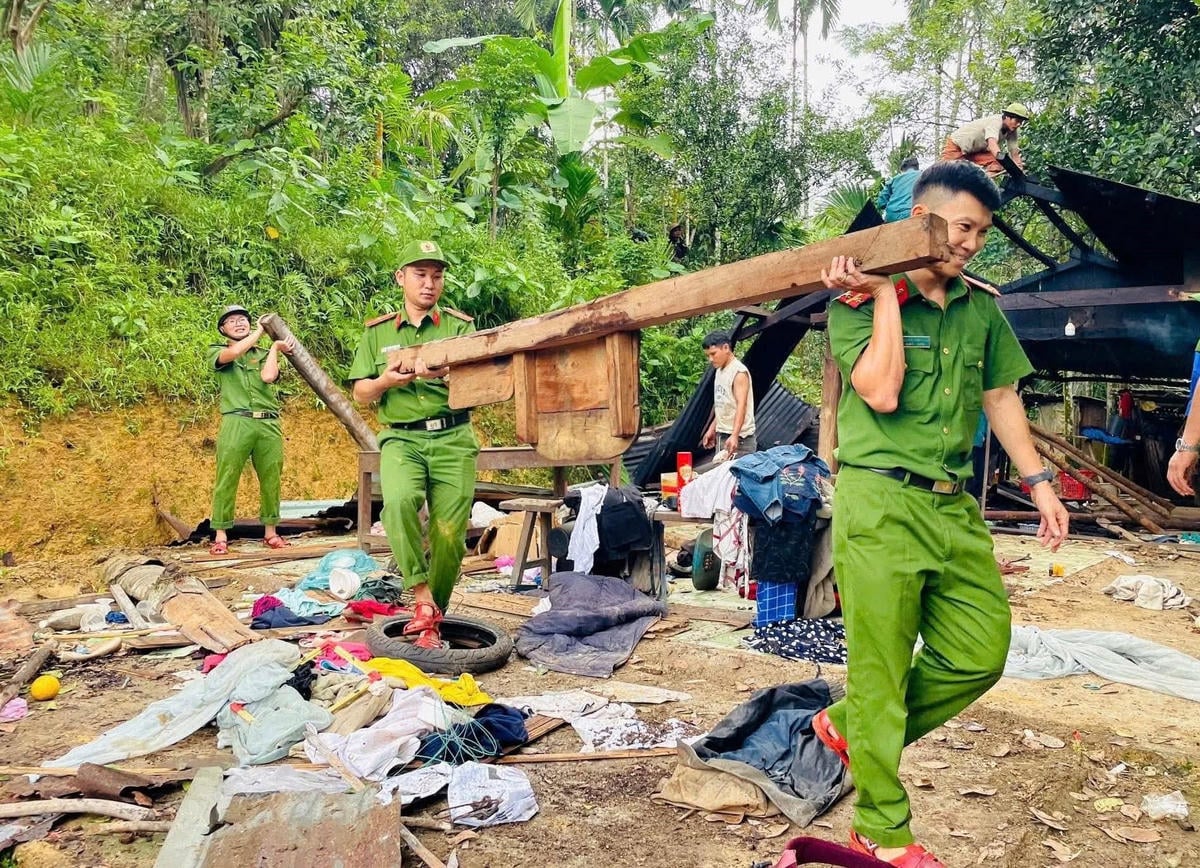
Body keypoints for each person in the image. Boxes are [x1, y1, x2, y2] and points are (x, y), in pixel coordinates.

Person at [815, 161, 1070, 867]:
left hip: (952, 506)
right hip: (880, 502)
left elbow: (1000, 398)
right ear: (921, 221)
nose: (972, 243)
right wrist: (887, 294)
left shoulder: (979, 307)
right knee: (882, 671)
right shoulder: (853, 301)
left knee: (979, 652)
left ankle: (845, 727)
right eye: (963, 227)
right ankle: (880, 828)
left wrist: (1040, 482)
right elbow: (882, 391)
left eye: (983, 232)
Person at [348, 240, 478, 650]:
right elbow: (361, 394)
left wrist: (443, 374)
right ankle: (421, 596)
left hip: (454, 437)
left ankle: (431, 617)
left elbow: (479, 388)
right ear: (401, 278)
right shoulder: (378, 332)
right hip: (402, 437)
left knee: (449, 531)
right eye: (420, 275)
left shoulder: (460, 327)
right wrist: (387, 380)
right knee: (400, 502)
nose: (429, 283)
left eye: (437, 276)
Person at [207, 305, 295, 555]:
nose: (239, 323)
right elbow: (231, 354)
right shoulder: (218, 351)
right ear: (223, 329)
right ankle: (221, 535)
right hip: (237, 421)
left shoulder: (263, 352)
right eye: (232, 321)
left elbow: (268, 377)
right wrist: (259, 332)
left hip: (268, 423)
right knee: (227, 476)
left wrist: (275, 349)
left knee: (271, 477)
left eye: (243, 319)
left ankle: (270, 532)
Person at [700, 330, 757, 458]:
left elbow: (741, 406)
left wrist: (735, 435)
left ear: (726, 348)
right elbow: (724, 404)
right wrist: (712, 428)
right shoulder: (720, 371)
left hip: (740, 440)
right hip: (723, 435)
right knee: (722, 477)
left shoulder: (739, 372)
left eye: (713, 354)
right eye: (708, 355)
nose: (710, 359)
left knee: (737, 477)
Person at [940, 102, 1030, 178]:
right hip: (956, 147)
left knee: (997, 163)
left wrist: (1018, 168)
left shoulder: (1012, 130)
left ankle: (983, 186)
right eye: (1017, 121)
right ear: (1007, 117)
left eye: (1021, 122)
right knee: (946, 176)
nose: (1019, 124)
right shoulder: (995, 122)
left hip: (975, 152)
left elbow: (1014, 152)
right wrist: (1007, 164)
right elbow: (992, 144)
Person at [876, 157, 920, 222]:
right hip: (915, 213)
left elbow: (881, 203)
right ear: (917, 167)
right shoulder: (924, 175)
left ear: (902, 170)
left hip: (892, 217)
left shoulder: (893, 180)